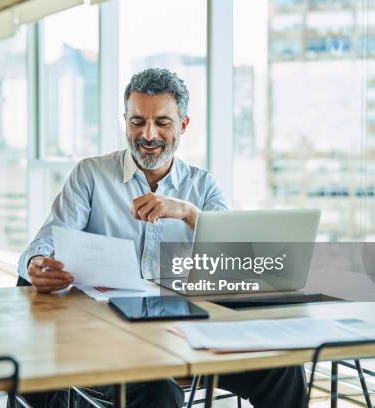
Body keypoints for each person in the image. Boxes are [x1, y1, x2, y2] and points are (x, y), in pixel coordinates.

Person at [17, 68, 306, 407]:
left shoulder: (202, 186)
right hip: (107, 334)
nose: (148, 134)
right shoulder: (91, 175)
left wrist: (188, 213)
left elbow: (238, 260)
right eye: (137, 121)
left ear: (183, 125)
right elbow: (43, 243)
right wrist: (37, 264)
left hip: (185, 330)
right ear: (125, 120)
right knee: (157, 389)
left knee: (285, 368)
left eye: (162, 123)